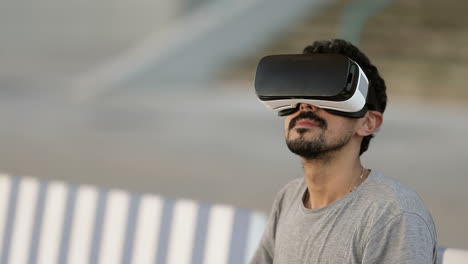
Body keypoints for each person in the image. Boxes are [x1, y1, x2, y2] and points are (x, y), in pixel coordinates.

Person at [250, 39, 437, 263]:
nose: (305, 105)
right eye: (298, 90)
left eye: (325, 90)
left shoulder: (393, 214)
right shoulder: (288, 197)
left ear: (367, 123)